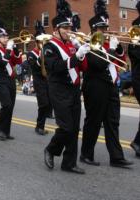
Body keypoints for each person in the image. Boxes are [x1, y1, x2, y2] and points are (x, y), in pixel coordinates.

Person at [80, 0, 133, 168]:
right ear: (94, 29)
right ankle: (86, 154)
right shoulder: (88, 44)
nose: (105, 31)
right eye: (102, 29)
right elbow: (99, 64)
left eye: (105, 28)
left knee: (113, 122)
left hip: (110, 86)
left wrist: (118, 50)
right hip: (95, 87)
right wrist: (110, 50)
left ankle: (116, 157)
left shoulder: (106, 44)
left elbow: (119, 63)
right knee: (94, 122)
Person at [43, 0, 89, 174]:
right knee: (66, 127)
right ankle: (51, 149)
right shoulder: (49, 47)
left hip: (74, 90)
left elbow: (83, 68)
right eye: (65, 28)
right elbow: (56, 67)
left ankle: (69, 163)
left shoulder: (71, 45)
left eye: (70, 28)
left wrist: (83, 52)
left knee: (74, 128)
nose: (69, 31)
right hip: (59, 90)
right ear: (56, 30)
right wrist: (76, 55)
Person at [0, 18, 22, 141]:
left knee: (11, 106)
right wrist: (9, 49)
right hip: (1, 80)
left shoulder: (7, 49)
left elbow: (17, 62)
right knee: (6, 105)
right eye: (3, 37)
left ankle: (6, 131)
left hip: (11, 81)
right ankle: (0, 129)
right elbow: (2, 63)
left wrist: (14, 49)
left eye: (6, 36)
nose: (6, 38)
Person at [27, 20, 51, 135]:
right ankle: (39, 126)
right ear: (37, 42)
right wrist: (41, 53)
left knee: (48, 104)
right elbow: (34, 67)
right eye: (41, 42)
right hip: (38, 81)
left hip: (48, 80)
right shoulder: (31, 54)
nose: (43, 43)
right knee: (43, 104)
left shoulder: (46, 52)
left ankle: (41, 125)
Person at [128, 1, 140, 158]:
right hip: (139, 76)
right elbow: (134, 52)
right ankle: (138, 141)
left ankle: (138, 142)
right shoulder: (136, 28)